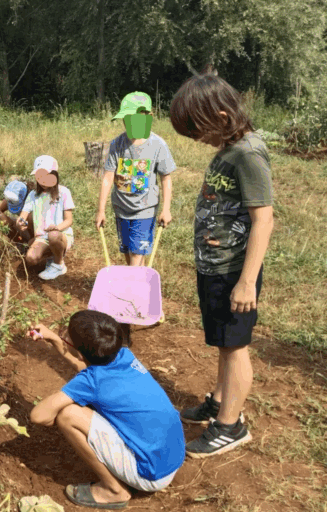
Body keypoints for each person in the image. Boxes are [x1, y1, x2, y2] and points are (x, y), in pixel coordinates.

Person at [170, 74, 274, 458]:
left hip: (234, 271)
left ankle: (230, 425)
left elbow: (263, 219)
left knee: (235, 347)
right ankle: (219, 399)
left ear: (222, 114)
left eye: (198, 130)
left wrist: (247, 282)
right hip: (215, 267)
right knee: (223, 341)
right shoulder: (229, 148)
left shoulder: (248, 153)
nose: (198, 139)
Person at [29, 310, 185, 509]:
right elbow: (84, 365)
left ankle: (114, 491)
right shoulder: (123, 355)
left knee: (68, 415)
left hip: (150, 473)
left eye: (67, 334)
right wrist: (53, 338)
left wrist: (54, 415)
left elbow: (38, 416)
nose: (64, 335)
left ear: (80, 351)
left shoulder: (91, 381)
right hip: (169, 455)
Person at [96, 92, 176, 267]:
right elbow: (108, 177)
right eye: (126, 119)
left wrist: (166, 209)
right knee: (127, 252)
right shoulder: (117, 144)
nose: (128, 123)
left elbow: (166, 178)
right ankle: (138, 284)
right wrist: (101, 210)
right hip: (121, 209)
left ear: (148, 117)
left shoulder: (158, 145)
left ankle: (132, 292)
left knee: (136, 254)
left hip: (145, 210)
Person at [18, 155, 75, 280]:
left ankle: (58, 264)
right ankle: (51, 255)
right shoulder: (33, 195)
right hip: (42, 237)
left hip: (61, 235)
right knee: (31, 258)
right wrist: (21, 222)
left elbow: (69, 220)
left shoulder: (64, 192)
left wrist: (57, 227)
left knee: (53, 235)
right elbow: (23, 215)